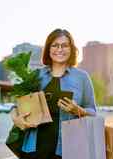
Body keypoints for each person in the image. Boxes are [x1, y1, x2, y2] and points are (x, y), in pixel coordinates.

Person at [11, 28, 97, 159]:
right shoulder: (36, 75)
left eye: (65, 45)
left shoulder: (82, 77)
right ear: (48, 49)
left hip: (68, 149)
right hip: (34, 148)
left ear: (71, 49)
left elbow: (93, 112)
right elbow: (17, 105)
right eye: (55, 45)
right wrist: (16, 118)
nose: (60, 49)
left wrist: (78, 110)